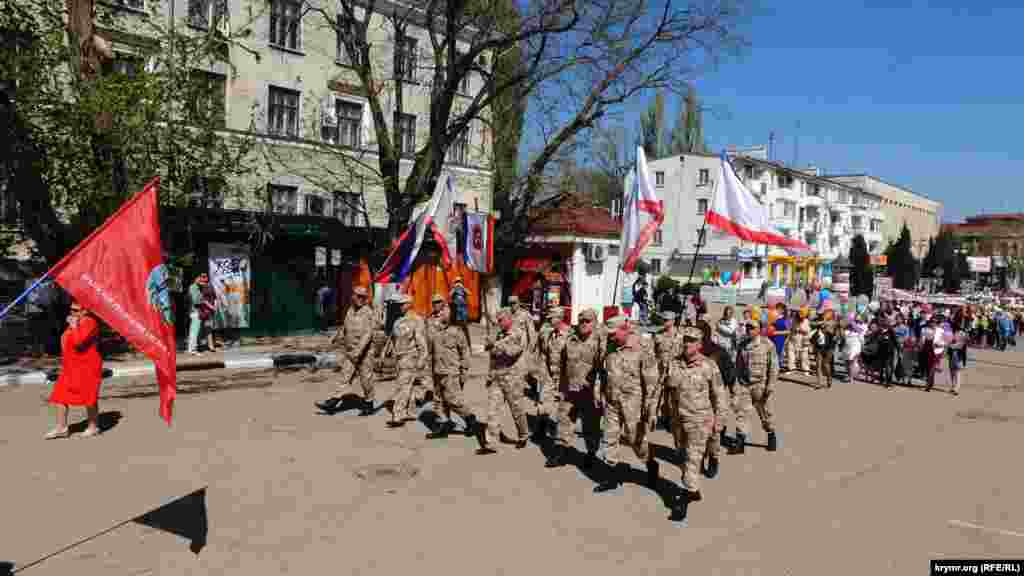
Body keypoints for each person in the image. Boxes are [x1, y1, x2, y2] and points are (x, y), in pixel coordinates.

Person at [668, 326, 729, 521]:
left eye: (692, 341)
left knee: (691, 458)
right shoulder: (674, 364)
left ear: (700, 345)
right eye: (685, 340)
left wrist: (720, 420)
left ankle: (684, 499)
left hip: (700, 420)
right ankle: (693, 490)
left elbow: (720, 395)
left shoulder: (709, 366)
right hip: (678, 421)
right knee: (682, 454)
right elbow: (664, 389)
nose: (687, 343)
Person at [595, 316, 660, 493]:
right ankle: (611, 476)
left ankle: (650, 464)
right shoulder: (609, 346)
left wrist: (651, 409)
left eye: (614, 334)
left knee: (635, 440)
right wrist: (598, 390)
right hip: (612, 401)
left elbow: (652, 383)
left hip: (633, 404)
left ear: (624, 330)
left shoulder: (642, 348)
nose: (611, 337)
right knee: (609, 438)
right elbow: (602, 371)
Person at [545, 308, 604, 469]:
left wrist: (599, 392)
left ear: (594, 322)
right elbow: (562, 362)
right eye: (581, 321)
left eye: (587, 321)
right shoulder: (571, 338)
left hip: (589, 392)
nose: (583, 324)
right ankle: (560, 452)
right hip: (570, 389)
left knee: (590, 425)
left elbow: (604, 369)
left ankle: (591, 453)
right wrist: (561, 385)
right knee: (564, 420)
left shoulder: (600, 341)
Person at [315, 286, 378, 416]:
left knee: (366, 380)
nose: (361, 299)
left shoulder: (368, 313)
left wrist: (358, 351)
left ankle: (369, 403)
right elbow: (345, 327)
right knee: (344, 377)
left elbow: (368, 335)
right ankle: (333, 402)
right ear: (353, 296)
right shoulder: (350, 310)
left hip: (364, 354)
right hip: (350, 351)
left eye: (363, 297)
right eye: (358, 296)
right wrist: (335, 336)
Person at [46, 301, 103, 439]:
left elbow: (78, 342)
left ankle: (93, 426)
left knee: (89, 396)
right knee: (60, 395)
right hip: (71, 366)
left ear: (85, 311)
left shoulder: (89, 322)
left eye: (76, 310)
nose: (72, 312)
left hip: (87, 366)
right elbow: (66, 340)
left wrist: (73, 325)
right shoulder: (76, 322)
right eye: (71, 309)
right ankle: (61, 428)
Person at [476, 308, 530, 454]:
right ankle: (491, 443)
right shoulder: (499, 334)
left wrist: (494, 345)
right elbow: (494, 357)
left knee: (517, 410)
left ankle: (523, 435)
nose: (498, 323)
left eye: (501, 320)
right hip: (498, 378)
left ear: (509, 319)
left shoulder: (518, 333)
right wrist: (490, 374)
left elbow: (512, 353)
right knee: (492, 411)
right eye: (497, 321)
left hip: (513, 379)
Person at [424, 306, 480, 439]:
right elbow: (430, 351)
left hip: (451, 372)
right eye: (441, 311)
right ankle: (444, 426)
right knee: (438, 401)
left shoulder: (457, 331)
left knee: (453, 400)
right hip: (437, 371)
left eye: (444, 311)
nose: (441, 312)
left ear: (450, 314)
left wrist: (464, 370)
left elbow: (465, 352)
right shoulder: (434, 330)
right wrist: (428, 369)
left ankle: (470, 419)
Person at [732, 319, 780, 454]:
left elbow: (774, 366)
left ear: (759, 329)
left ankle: (771, 435)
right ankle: (740, 443)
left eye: (752, 327)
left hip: (761, 386)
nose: (749, 329)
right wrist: (737, 383)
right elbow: (738, 365)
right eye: (748, 327)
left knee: (765, 414)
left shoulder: (767, 345)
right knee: (742, 413)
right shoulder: (742, 344)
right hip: (745, 385)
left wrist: (770, 385)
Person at [386, 294, 428, 428]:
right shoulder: (398, 321)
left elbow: (421, 342)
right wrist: (388, 352)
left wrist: (422, 358)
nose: (399, 307)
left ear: (409, 304)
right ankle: (411, 411)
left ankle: (398, 414)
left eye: (402, 304)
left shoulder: (417, 320)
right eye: (399, 304)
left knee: (402, 386)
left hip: (410, 358)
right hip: (399, 358)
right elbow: (394, 339)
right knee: (409, 386)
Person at [187, 273, 214, 355]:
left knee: (194, 331)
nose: (201, 280)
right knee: (194, 331)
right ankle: (193, 350)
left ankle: (192, 349)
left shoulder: (197, 287)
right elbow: (196, 300)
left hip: (196, 311)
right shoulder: (194, 287)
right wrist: (205, 302)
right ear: (195, 279)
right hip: (195, 311)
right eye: (199, 278)